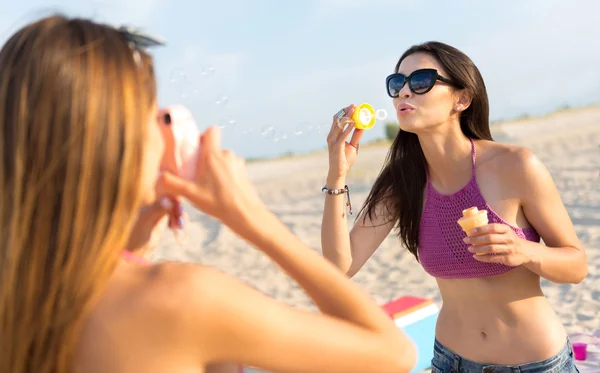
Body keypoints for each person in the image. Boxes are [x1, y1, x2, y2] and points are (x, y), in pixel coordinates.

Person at [0, 15, 417, 373]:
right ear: (117, 144)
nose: (166, 129)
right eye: (152, 114)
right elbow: (393, 354)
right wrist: (251, 217)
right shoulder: (180, 298)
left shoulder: (24, 290)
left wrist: (133, 244)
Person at [322, 41, 587, 373]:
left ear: (462, 98)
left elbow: (576, 266)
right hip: (451, 362)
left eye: (420, 81)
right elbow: (338, 268)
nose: (404, 92)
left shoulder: (515, 165)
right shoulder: (402, 182)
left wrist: (525, 252)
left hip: (535, 364)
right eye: (397, 83)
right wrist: (337, 173)